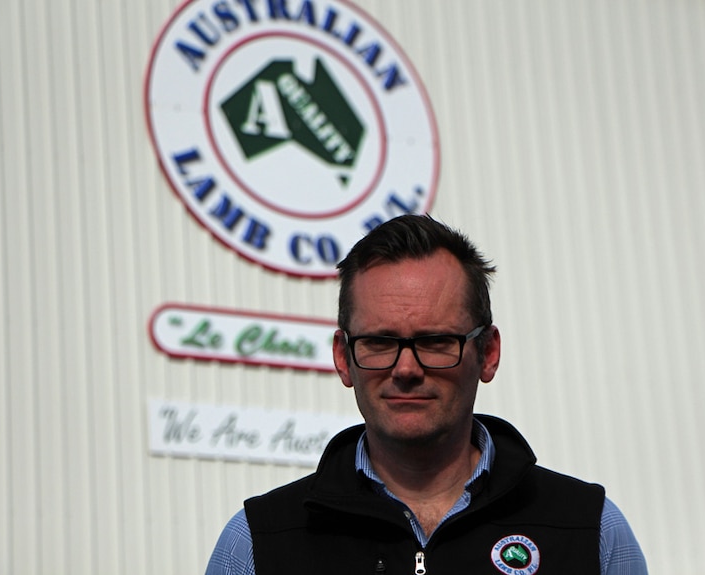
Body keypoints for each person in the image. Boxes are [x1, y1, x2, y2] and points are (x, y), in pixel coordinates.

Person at [206, 214, 647, 575]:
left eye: (436, 341)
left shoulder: (591, 532)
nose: (406, 369)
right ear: (343, 357)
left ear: (488, 353)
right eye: (379, 341)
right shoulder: (256, 546)